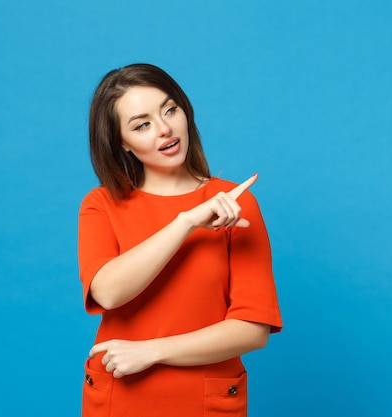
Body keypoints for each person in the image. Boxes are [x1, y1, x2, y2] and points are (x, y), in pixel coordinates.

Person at [78, 63, 282, 417]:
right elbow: (108, 292)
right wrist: (186, 222)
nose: (164, 129)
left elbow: (252, 330)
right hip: (121, 397)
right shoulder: (101, 205)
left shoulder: (234, 204)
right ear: (121, 144)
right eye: (141, 125)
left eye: (170, 110)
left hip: (206, 400)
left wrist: (151, 351)